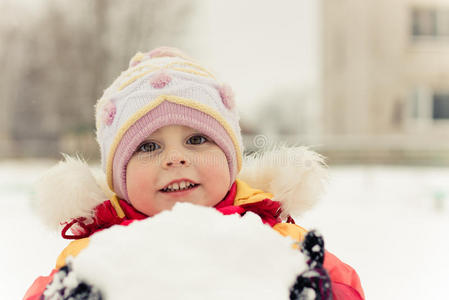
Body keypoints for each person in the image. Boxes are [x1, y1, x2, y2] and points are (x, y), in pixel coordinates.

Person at [23, 47, 364, 300]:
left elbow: (350, 288)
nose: (175, 158)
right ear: (119, 178)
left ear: (231, 160)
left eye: (196, 139)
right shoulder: (92, 255)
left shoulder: (277, 241)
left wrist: (326, 289)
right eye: (148, 147)